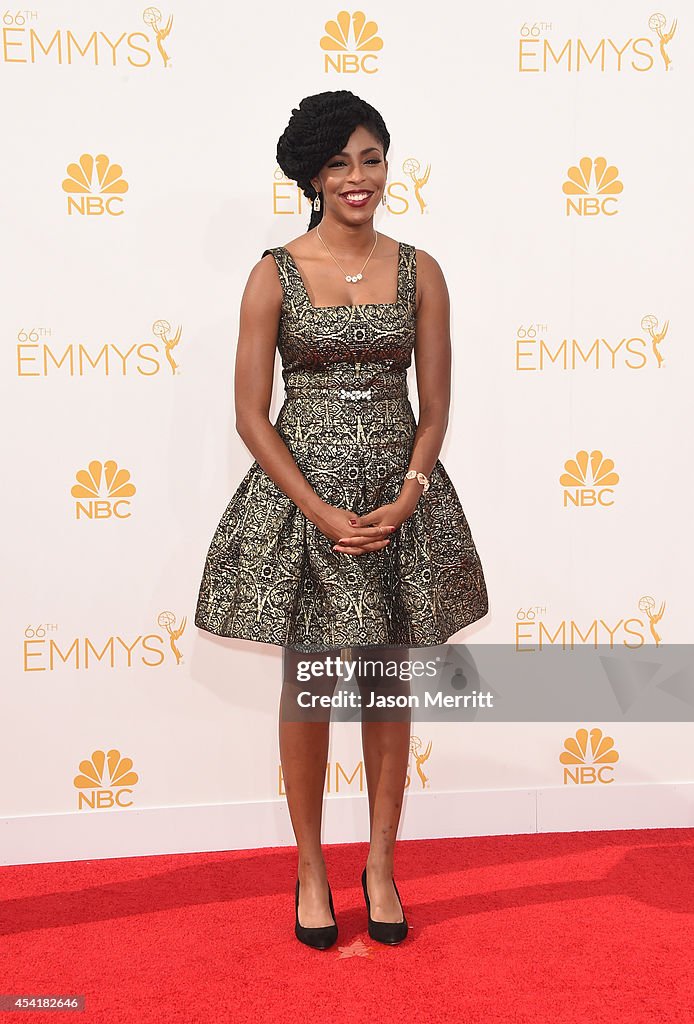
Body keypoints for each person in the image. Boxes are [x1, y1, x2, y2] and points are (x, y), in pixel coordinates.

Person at [194, 90, 489, 949]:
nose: (358, 178)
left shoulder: (421, 269)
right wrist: (320, 508)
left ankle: (383, 864)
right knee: (311, 687)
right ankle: (313, 866)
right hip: (304, 506)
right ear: (311, 176)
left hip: (400, 504)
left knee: (388, 686)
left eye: (370, 158)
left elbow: (434, 406)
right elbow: (253, 413)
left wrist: (411, 488)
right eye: (338, 164)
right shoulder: (274, 272)